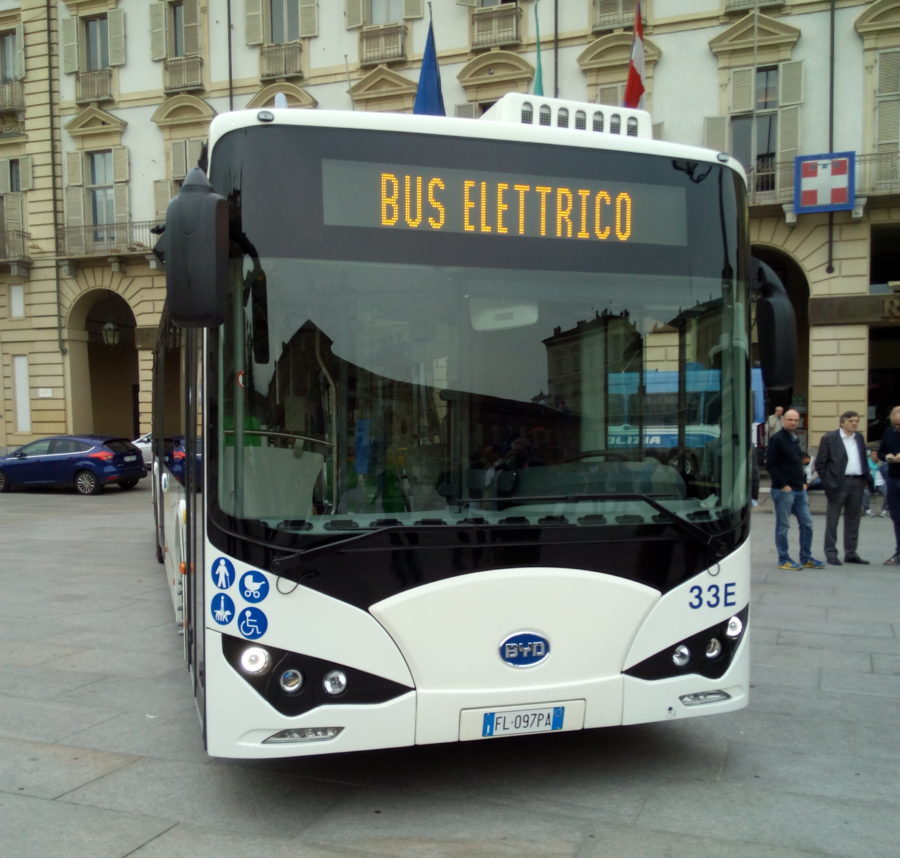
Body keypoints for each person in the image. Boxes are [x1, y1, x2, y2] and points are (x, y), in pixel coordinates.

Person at [766, 408, 825, 570]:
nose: (793, 422)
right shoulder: (776, 439)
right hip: (784, 490)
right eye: (790, 419)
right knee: (783, 526)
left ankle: (806, 557)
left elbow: (800, 461)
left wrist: (805, 481)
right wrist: (782, 484)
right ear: (784, 420)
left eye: (796, 420)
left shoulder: (794, 439)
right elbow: (770, 463)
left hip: (799, 489)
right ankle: (783, 558)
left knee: (807, 523)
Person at [814, 411, 873, 565]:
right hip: (838, 482)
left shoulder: (859, 438)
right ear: (842, 423)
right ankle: (831, 552)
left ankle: (851, 552)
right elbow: (820, 463)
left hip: (857, 481)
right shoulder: (830, 438)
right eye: (851, 421)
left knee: (854, 519)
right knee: (833, 519)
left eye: (856, 421)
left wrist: (866, 477)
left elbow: (862, 458)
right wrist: (828, 482)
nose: (854, 423)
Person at [877, 405, 900, 566]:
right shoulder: (889, 432)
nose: (897, 427)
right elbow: (880, 452)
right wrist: (887, 456)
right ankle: (899, 552)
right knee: (896, 517)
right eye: (895, 424)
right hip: (893, 478)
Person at [862, 450, 886, 517]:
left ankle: (884, 510)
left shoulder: (883, 463)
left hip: (881, 484)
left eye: (876, 454)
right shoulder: (867, 463)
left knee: (888, 492)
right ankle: (867, 510)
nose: (875, 456)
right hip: (870, 484)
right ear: (871, 455)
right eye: (873, 454)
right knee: (865, 492)